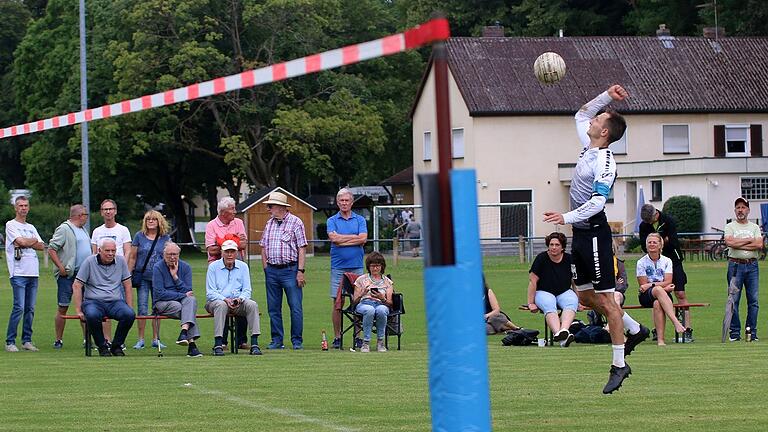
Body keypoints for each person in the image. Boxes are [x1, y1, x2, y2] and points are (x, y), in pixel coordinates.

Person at [543, 84, 649, 394]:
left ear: (604, 133)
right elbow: (581, 113)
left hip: (595, 236)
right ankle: (634, 328)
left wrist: (566, 217)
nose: (592, 121)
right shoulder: (589, 146)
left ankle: (619, 364)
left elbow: (597, 204)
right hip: (580, 235)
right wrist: (607, 96)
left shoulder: (605, 162)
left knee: (607, 300)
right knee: (585, 297)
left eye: (598, 120)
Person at [259, 192, 307, 350]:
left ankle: (297, 341)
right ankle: (277, 340)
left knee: (295, 307)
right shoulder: (269, 224)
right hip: (272, 271)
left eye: (270, 206)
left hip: (290, 270)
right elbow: (263, 247)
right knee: (273, 308)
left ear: (280, 207)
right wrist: (266, 268)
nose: (268, 209)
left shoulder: (296, 222)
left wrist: (300, 271)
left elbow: (301, 248)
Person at [72, 238, 135, 356]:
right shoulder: (89, 262)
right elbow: (77, 285)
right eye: (107, 250)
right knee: (92, 315)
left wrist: (129, 306)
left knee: (129, 314)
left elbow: (128, 284)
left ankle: (116, 346)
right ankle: (102, 346)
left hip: (115, 302)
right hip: (93, 301)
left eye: (113, 250)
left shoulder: (121, 261)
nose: (111, 254)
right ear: (99, 250)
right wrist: (78, 309)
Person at [639, 203, 692, 341]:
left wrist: (661, 241)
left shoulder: (668, 220)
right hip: (655, 261)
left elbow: (673, 240)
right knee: (656, 296)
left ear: (655, 214)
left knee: (680, 293)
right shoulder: (644, 226)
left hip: (673, 259)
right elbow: (645, 246)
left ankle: (687, 329)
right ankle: (658, 329)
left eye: (650, 221)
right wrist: (657, 243)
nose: (648, 223)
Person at [205, 239, 262, 356]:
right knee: (220, 305)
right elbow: (210, 292)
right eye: (227, 252)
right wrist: (225, 299)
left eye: (232, 251)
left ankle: (255, 343)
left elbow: (247, 290)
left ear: (236, 253)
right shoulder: (213, 267)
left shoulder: (243, 267)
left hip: (237, 302)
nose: (229, 254)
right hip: (217, 302)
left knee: (252, 304)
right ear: (222, 252)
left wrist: (239, 299)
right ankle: (218, 344)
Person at [327, 188, 367, 349]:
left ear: (352, 202)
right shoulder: (332, 220)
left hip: (356, 267)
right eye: (341, 201)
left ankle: (357, 336)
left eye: (347, 200)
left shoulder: (360, 220)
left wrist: (343, 239)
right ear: (337, 203)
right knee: (338, 303)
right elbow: (334, 239)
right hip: (338, 268)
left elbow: (363, 239)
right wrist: (354, 238)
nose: (344, 203)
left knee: (357, 302)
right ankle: (338, 337)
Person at [48, 204, 92, 349]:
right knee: (63, 306)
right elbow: (52, 248)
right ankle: (58, 339)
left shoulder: (83, 230)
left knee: (85, 307)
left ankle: (87, 339)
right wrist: (61, 267)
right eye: (85, 215)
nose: (87, 217)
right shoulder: (64, 229)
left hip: (84, 275)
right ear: (79, 215)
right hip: (68, 275)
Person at [4, 196, 44, 352]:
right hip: (18, 272)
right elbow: (20, 242)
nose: (23, 208)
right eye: (20, 205)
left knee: (30, 308)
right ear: (15, 208)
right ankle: (10, 341)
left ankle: (26, 340)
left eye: (26, 205)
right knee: (19, 307)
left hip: (33, 272)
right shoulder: (10, 225)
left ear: (29, 207)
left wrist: (29, 241)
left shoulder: (31, 227)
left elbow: (41, 246)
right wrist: (30, 241)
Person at [127, 210, 170, 349]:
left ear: (159, 222)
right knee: (142, 308)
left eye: (153, 219)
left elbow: (169, 257)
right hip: (143, 277)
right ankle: (140, 339)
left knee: (157, 308)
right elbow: (133, 257)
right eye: (148, 219)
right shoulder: (139, 236)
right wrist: (128, 274)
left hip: (159, 278)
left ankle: (156, 338)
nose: (151, 221)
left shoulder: (165, 238)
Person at [526, 232, 578, 348]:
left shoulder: (570, 259)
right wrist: (531, 303)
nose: (553, 247)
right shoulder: (541, 258)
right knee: (549, 304)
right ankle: (559, 335)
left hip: (564, 291)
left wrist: (579, 301)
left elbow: (575, 282)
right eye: (551, 244)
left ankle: (563, 331)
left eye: (557, 245)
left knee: (572, 301)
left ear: (562, 247)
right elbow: (533, 281)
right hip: (543, 291)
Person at [152, 242, 202, 357]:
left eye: (175, 254)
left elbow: (188, 290)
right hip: (162, 303)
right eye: (169, 254)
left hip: (182, 301)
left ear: (179, 254)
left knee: (191, 300)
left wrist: (175, 277)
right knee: (185, 308)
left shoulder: (185, 267)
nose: (172, 257)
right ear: (164, 255)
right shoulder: (158, 268)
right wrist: (181, 295)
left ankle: (184, 333)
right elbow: (160, 294)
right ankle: (192, 345)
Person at [636, 233, 687, 346]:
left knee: (658, 304)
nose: (652, 244)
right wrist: (663, 287)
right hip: (646, 296)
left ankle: (661, 340)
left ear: (660, 245)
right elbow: (643, 285)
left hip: (662, 295)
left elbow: (669, 281)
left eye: (654, 242)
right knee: (658, 290)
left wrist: (652, 285)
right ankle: (675, 322)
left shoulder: (667, 261)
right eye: (649, 242)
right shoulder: (641, 262)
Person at [725, 197, 762, 342]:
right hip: (735, 265)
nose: (741, 210)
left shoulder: (754, 227)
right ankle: (735, 333)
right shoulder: (730, 226)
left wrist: (738, 243)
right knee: (734, 299)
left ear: (748, 210)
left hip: (752, 265)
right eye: (738, 207)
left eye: (743, 207)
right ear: (735, 210)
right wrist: (749, 241)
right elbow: (729, 242)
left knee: (753, 300)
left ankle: (751, 332)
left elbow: (759, 244)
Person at [352, 252, 393, 353]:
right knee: (369, 310)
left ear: (382, 266)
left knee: (382, 310)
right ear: (368, 266)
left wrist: (382, 298)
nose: (375, 268)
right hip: (364, 304)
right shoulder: (361, 279)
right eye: (372, 266)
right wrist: (362, 294)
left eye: (377, 266)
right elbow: (354, 302)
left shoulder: (387, 282)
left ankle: (380, 342)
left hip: (381, 303)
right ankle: (366, 343)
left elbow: (390, 303)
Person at [205, 196, 247, 263]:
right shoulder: (211, 225)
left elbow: (243, 245)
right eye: (232, 209)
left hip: (238, 263)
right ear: (223, 212)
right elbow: (212, 251)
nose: (235, 212)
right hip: (216, 264)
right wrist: (235, 239)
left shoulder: (239, 222)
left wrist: (220, 242)